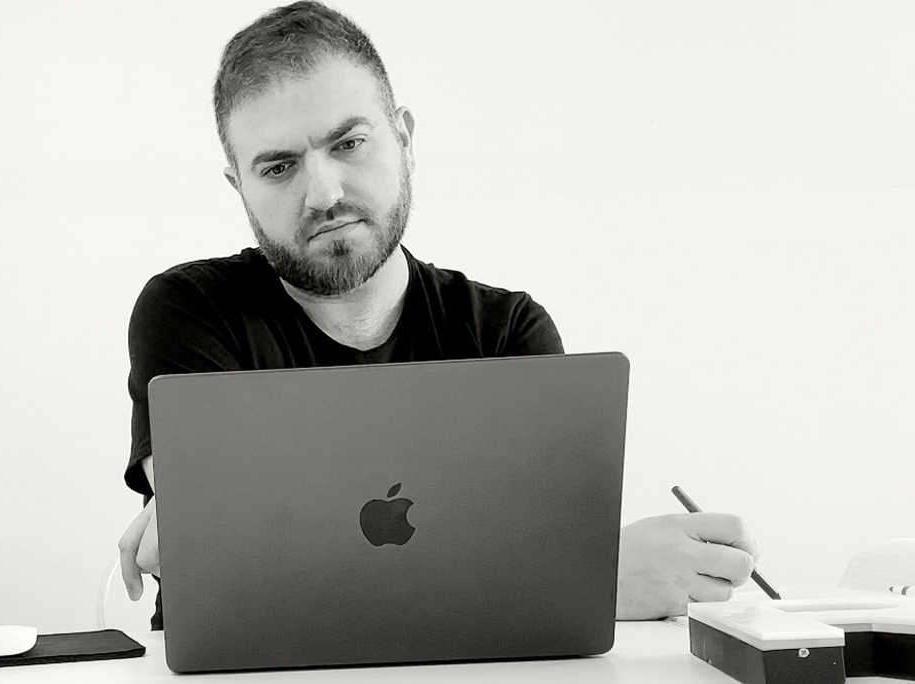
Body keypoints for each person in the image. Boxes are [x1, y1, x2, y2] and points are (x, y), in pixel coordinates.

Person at [118, 0, 759, 626]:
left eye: (349, 143)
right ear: (239, 186)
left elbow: (529, 560)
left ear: (404, 139)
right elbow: (228, 576)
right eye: (279, 167)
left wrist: (563, 575)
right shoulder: (188, 312)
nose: (324, 194)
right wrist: (591, 579)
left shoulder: (507, 333)